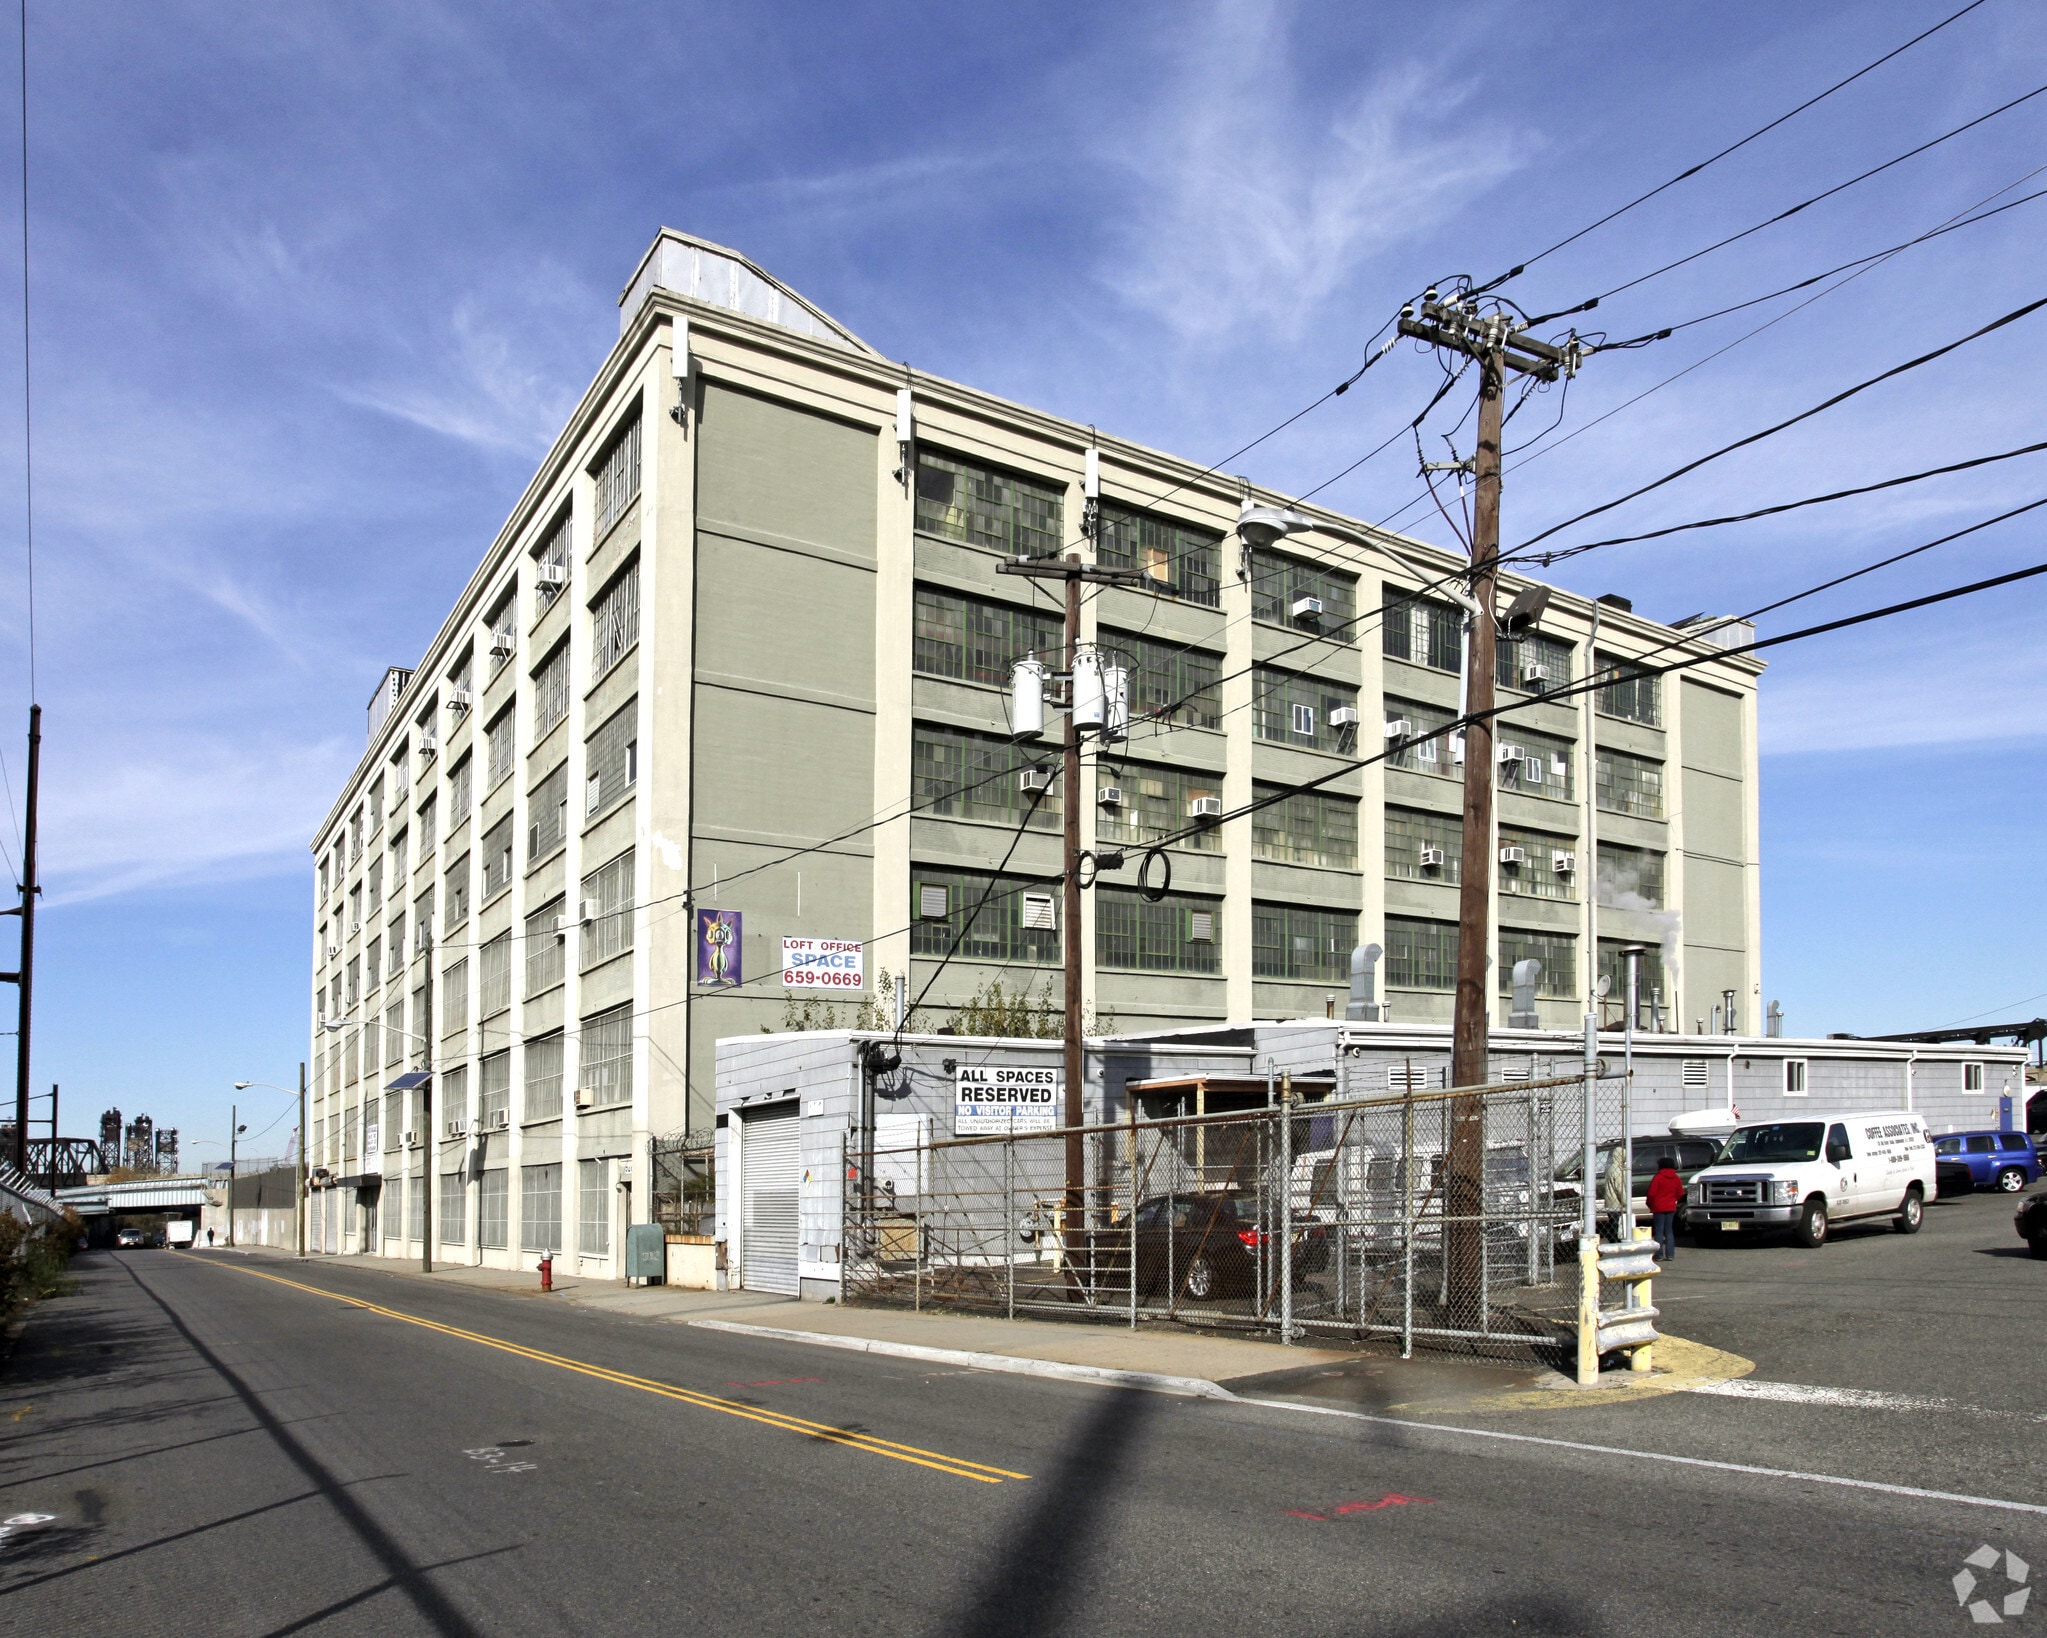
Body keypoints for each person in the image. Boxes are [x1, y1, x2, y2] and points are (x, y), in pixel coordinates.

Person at [1646, 1154, 1684, 1261]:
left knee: (1659, 1231)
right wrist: (1673, 1199)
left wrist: (1650, 1204)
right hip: (1671, 1206)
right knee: (1669, 1231)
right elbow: (1680, 1193)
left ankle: (1659, 1254)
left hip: (1658, 1207)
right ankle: (1670, 1254)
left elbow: (1651, 1194)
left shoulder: (1658, 1177)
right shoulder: (1676, 1178)